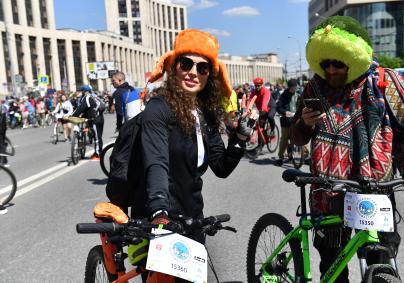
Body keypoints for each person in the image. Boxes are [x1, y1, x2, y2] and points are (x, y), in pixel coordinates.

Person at [290, 16, 404, 282]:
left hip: (374, 190)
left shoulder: (385, 81)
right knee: (331, 264)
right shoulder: (314, 86)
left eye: (338, 63)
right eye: (325, 63)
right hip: (327, 192)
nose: (331, 69)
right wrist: (304, 125)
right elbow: (296, 137)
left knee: (381, 259)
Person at [128, 29, 255, 276]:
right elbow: (156, 163)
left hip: (192, 216)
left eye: (202, 68)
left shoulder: (205, 113)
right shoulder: (158, 109)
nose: (193, 72)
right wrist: (159, 212)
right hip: (157, 212)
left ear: (210, 76)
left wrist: (239, 139)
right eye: (186, 64)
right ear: (174, 67)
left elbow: (220, 167)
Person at [71, 85, 104, 160]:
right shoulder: (94, 96)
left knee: (97, 137)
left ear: (84, 91)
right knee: (97, 136)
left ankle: (98, 155)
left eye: (80, 91)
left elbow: (81, 108)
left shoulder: (87, 97)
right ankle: (97, 152)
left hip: (95, 119)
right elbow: (88, 109)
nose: (78, 93)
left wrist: (72, 116)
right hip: (98, 117)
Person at [275, 79, 299, 166]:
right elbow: (278, 107)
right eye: (292, 87)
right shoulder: (283, 95)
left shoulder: (298, 95)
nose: (294, 89)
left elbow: (302, 105)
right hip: (286, 120)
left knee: (301, 136)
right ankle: (280, 156)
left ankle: (305, 156)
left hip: (296, 119)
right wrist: (284, 112)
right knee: (284, 138)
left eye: (295, 87)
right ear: (289, 87)